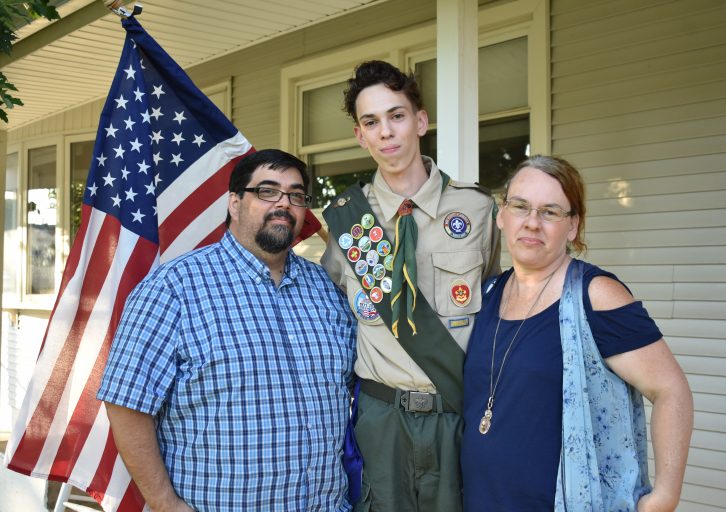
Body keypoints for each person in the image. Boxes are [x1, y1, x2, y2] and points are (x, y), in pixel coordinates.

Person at [97, 149, 357, 511]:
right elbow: (126, 405)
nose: (284, 204)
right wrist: (165, 503)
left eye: (296, 195)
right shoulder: (173, 287)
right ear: (235, 203)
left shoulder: (326, 287)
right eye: (267, 191)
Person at [462, 155, 694, 511]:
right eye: (520, 206)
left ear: (573, 226)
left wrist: (665, 495)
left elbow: (671, 390)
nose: (532, 223)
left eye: (550, 212)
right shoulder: (490, 293)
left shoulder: (595, 295)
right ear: (501, 215)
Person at [321, 60, 501, 512]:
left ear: (420, 121)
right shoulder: (348, 220)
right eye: (371, 122)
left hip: (456, 413)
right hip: (380, 418)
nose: (386, 131)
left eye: (396, 115)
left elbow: (500, 306)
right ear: (361, 136)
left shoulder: (477, 210)